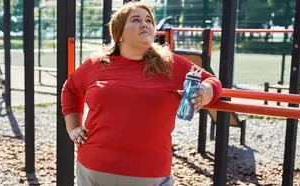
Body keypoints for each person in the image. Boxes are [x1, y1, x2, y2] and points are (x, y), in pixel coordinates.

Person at [61, 2, 223, 186]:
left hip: (150, 173)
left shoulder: (170, 64)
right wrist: (73, 127)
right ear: (119, 33)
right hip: (93, 168)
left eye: (149, 20)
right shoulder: (97, 63)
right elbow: (71, 89)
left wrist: (206, 92)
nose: (145, 24)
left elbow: (212, 81)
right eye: (136, 20)